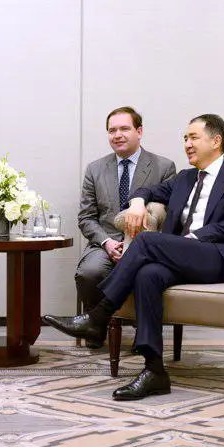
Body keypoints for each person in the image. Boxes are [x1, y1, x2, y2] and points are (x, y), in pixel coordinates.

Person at [44, 114, 224, 400]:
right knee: (149, 275)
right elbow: (145, 190)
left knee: (146, 241)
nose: (187, 144)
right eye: (185, 138)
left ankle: (98, 315)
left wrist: (190, 241)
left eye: (193, 137)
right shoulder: (184, 178)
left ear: (216, 141)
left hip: (221, 258)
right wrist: (137, 203)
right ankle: (154, 370)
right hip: (184, 258)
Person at [76, 106, 175, 348]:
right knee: (89, 272)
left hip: (146, 244)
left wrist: (137, 241)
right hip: (106, 242)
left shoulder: (164, 167)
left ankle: (143, 329)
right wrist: (107, 242)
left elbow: (168, 216)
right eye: (112, 130)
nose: (117, 135)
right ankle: (96, 328)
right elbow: (86, 217)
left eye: (124, 129)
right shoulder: (95, 169)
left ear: (139, 131)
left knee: (146, 275)